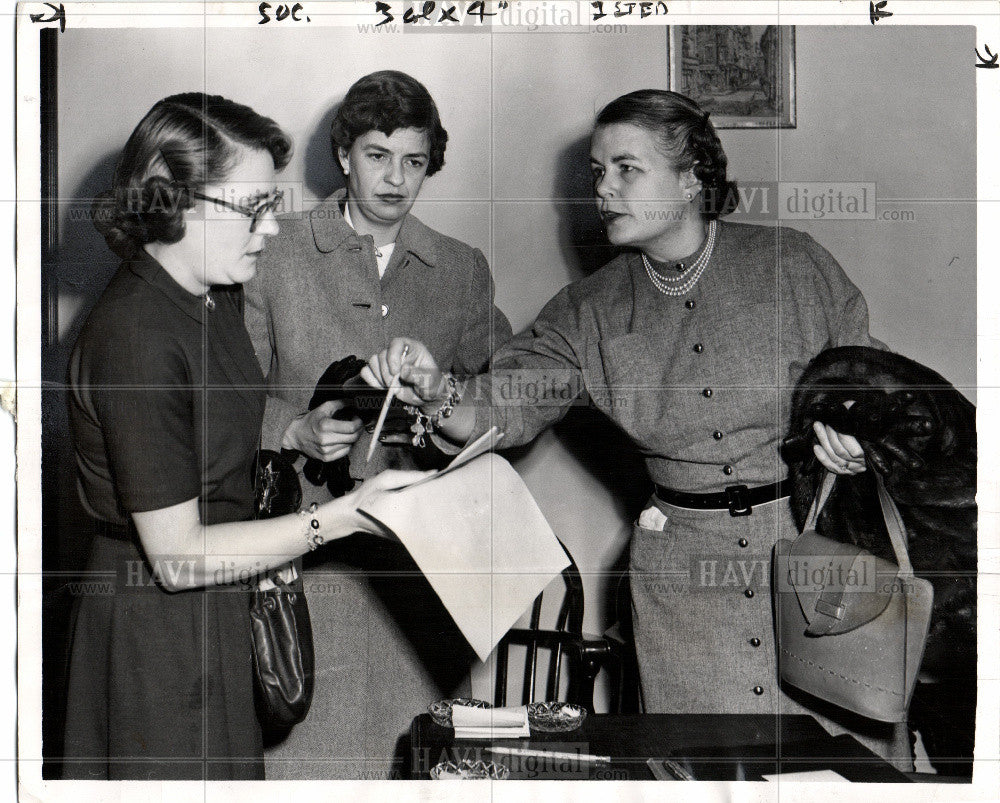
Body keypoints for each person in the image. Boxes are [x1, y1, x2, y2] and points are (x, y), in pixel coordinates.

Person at [364, 89, 914, 768]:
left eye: (627, 169)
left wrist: (857, 434)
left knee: (841, 769)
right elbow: (502, 401)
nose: (605, 190)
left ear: (691, 179)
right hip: (682, 591)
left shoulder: (792, 264)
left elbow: (875, 381)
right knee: (704, 770)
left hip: (813, 551)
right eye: (598, 172)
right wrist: (434, 388)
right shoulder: (589, 308)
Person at [61, 93, 423, 781]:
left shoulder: (211, 296)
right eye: (252, 207)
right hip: (152, 628)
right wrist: (339, 519)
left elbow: (215, 439)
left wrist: (300, 429)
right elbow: (177, 556)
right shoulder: (135, 332)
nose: (271, 229)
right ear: (172, 199)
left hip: (217, 608)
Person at [243, 71, 512, 778]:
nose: (396, 178)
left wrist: (441, 396)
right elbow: (219, 396)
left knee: (418, 757)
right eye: (376, 155)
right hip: (303, 549)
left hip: (424, 562)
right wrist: (294, 430)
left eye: (414, 161)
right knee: (309, 759)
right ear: (342, 154)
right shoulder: (273, 253)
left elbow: (507, 397)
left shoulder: (460, 268)